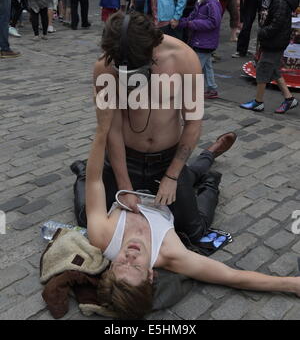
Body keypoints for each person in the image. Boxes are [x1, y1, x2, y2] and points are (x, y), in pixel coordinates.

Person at [86, 95, 300, 320]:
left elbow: (94, 181)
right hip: (167, 202)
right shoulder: (172, 255)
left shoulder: (101, 236)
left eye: (121, 263)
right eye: (136, 266)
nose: (130, 255)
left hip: (132, 188)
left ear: (110, 267)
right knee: (197, 224)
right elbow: (231, 276)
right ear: (150, 275)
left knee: (85, 206)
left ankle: (206, 156)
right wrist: (292, 284)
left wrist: (102, 129)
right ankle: (211, 163)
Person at [87, 10, 236, 240]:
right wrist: (125, 187)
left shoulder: (183, 58)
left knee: (193, 232)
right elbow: (112, 130)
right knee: (91, 222)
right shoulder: (105, 67)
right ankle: (82, 172)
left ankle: (208, 174)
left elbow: (193, 122)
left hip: (168, 159)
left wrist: (173, 176)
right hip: (127, 158)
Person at [240, 0, 299, 114]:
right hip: (276, 40)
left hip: (274, 41)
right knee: (272, 70)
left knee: (262, 70)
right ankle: (289, 98)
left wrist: (262, 32)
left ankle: (258, 102)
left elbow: (276, 24)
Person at [178, 0, 222, 99]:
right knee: (207, 67)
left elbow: (214, 22)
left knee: (194, 68)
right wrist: (182, 23)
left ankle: (186, 91)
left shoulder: (211, 3)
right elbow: (192, 16)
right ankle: (212, 89)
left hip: (205, 42)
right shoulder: (201, 1)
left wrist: (192, 24)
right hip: (201, 41)